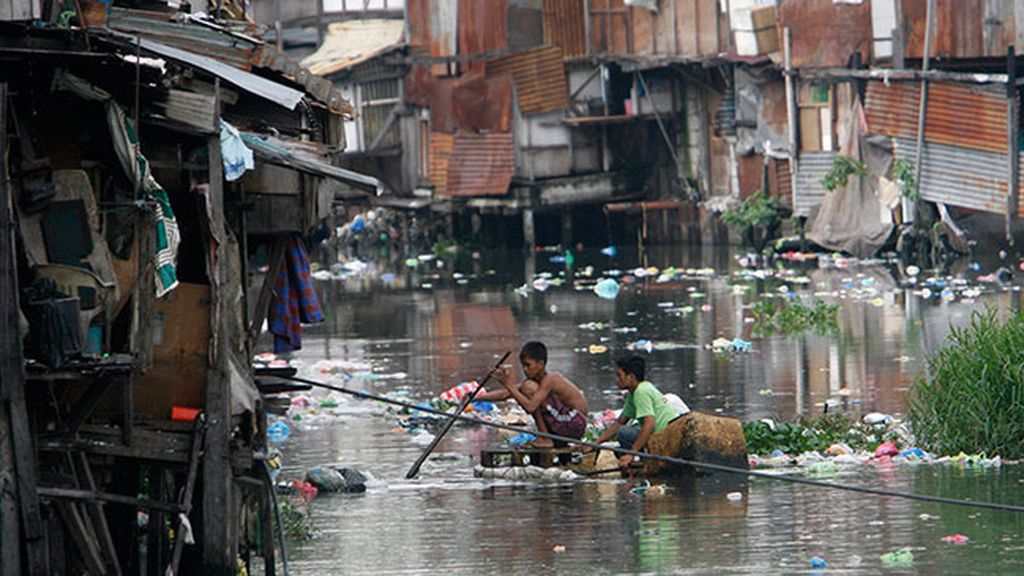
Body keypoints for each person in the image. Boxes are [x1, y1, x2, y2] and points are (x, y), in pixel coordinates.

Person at [476, 341, 589, 448]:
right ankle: (546, 438)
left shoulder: (551, 379)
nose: (525, 370)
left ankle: (545, 439)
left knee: (527, 388)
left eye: (528, 365)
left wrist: (508, 384)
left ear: (541, 364)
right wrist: (474, 398)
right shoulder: (536, 382)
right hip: (564, 423)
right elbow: (504, 394)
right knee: (525, 388)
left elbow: (530, 407)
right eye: (523, 366)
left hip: (575, 424)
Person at [589, 355, 679, 469]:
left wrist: (631, 454)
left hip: (663, 439)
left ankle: (644, 461)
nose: (617, 380)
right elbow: (620, 422)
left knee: (623, 433)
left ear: (630, 377)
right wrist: (596, 443)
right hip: (661, 435)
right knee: (621, 437)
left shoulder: (641, 392)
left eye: (619, 375)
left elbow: (649, 424)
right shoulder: (635, 391)